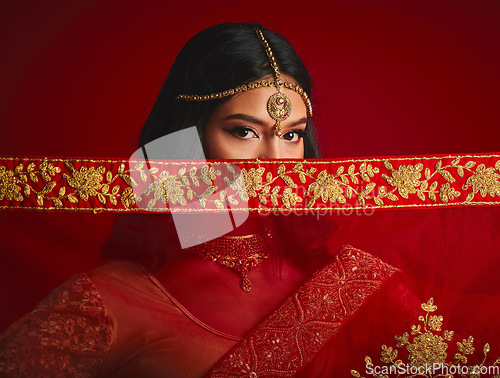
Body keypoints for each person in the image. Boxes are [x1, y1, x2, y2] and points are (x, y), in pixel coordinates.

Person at [1, 22, 500, 378]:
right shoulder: (107, 302)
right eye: (243, 131)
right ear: (186, 138)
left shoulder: (344, 284)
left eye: (292, 135)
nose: (273, 160)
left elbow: (472, 349)